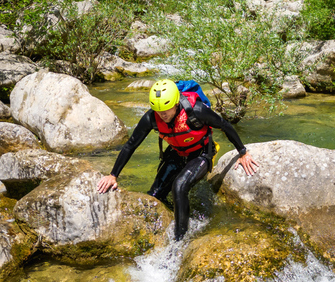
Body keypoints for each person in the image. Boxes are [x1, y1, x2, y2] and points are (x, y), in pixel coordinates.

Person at [96, 79, 259, 241]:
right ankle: (166, 222)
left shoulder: (196, 110)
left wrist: (242, 152)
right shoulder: (151, 118)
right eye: (158, 110)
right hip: (177, 152)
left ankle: (181, 238)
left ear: (175, 103)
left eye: (166, 109)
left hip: (201, 154)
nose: (163, 114)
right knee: (154, 196)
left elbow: (224, 125)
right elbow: (131, 144)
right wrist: (113, 175)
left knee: (179, 186)